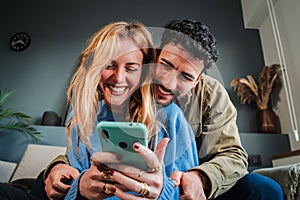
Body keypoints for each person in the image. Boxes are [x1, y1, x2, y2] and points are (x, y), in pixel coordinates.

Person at [41, 19, 283, 200]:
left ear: (198, 80)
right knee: (43, 185)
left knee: (264, 189)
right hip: (123, 179)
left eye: (186, 76)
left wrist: (202, 179)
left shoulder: (210, 96)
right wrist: (59, 167)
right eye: (165, 65)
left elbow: (233, 154)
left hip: (189, 180)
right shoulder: (122, 80)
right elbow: (86, 134)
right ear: (155, 56)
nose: (167, 83)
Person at [54, 20, 199, 200]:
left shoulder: (170, 118)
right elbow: (68, 189)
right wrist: (80, 188)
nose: (118, 78)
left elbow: (189, 194)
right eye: (109, 65)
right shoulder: (81, 117)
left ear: (143, 73)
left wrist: (161, 190)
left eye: (131, 68)